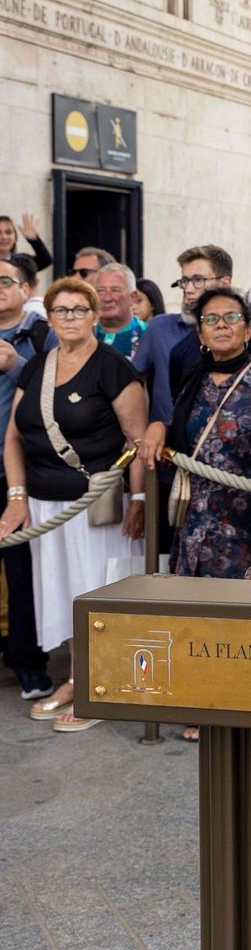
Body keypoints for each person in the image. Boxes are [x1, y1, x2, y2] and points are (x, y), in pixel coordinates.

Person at [0, 277, 146, 731]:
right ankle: (75, 678)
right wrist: (17, 498)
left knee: (93, 595)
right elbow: (13, 437)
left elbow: (137, 440)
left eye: (78, 310)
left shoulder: (113, 367)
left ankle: (98, 689)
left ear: (95, 315)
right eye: (60, 311)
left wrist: (138, 499)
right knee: (61, 595)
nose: (69, 318)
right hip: (44, 505)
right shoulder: (38, 365)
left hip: (95, 504)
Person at [140, 288, 251, 739]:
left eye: (230, 316)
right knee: (193, 612)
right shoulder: (193, 379)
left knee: (237, 615)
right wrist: (159, 425)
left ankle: (236, 701)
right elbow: (175, 429)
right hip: (196, 520)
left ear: (247, 326)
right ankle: (200, 699)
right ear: (200, 331)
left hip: (248, 521)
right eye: (210, 318)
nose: (221, 325)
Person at [0, 255, 56, 699]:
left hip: (18, 468)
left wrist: (17, 365)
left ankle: (28, 662)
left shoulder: (41, 334)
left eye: (6, 280)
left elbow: (57, 387)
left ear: (25, 289)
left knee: (22, 569)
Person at [133, 245, 233, 424]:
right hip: (164, 445)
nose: (188, 289)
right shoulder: (159, 328)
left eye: (198, 280)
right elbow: (133, 382)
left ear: (225, 284)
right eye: (185, 281)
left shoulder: (242, 334)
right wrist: (141, 432)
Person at [93, 263, 148, 360]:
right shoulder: (82, 335)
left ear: (133, 297)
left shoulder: (149, 335)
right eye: (101, 291)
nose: (107, 298)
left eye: (115, 290)